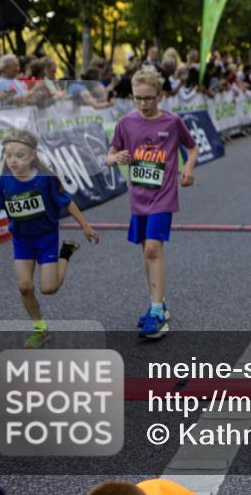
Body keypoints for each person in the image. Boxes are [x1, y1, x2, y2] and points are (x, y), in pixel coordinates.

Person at [0, 129, 99, 348]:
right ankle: (40, 329)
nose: (13, 161)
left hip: (46, 238)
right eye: (8, 155)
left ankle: (66, 252)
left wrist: (86, 226)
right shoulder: (3, 183)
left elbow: (67, 203)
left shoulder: (45, 180)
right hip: (22, 241)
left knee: (49, 288)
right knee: (25, 287)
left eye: (19, 155)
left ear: (32, 155)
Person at [107, 67, 198, 339]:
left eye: (148, 98)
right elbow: (109, 155)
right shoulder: (126, 123)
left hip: (163, 196)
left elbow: (192, 147)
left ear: (160, 95)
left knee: (152, 250)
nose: (143, 104)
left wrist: (188, 167)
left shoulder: (172, 121)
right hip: (138, 198)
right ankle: (157, 303)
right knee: (146, 252)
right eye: (138, 98)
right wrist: (116, 158)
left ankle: (157, 314)